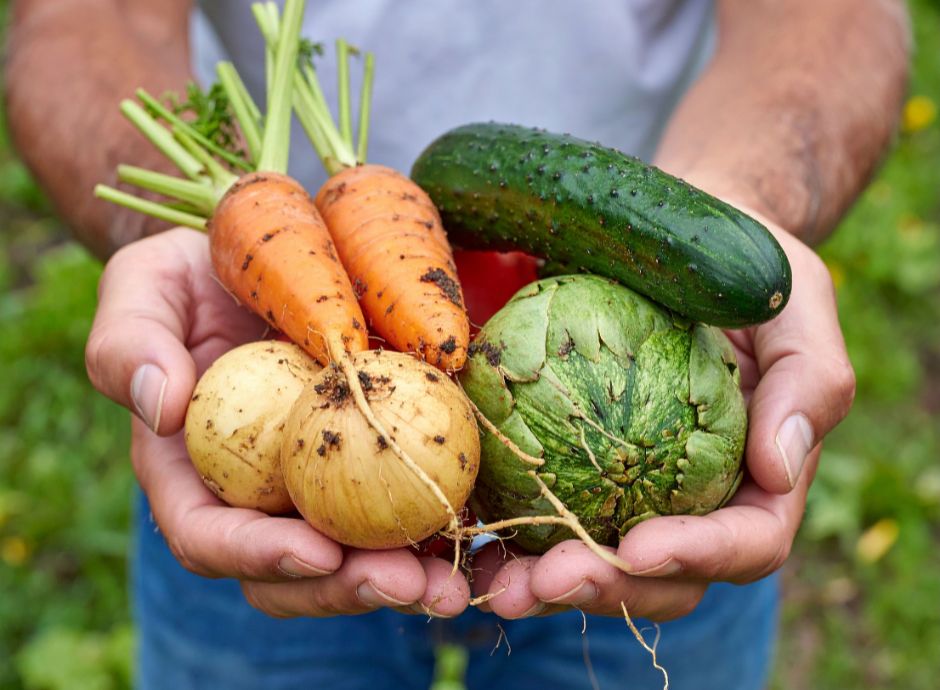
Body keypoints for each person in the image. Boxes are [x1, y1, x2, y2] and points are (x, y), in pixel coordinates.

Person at [5, 1, 907, 688]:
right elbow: (84, 22)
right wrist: (218, 233)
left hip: (647, 331)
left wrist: (738, 206)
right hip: (270, 425)